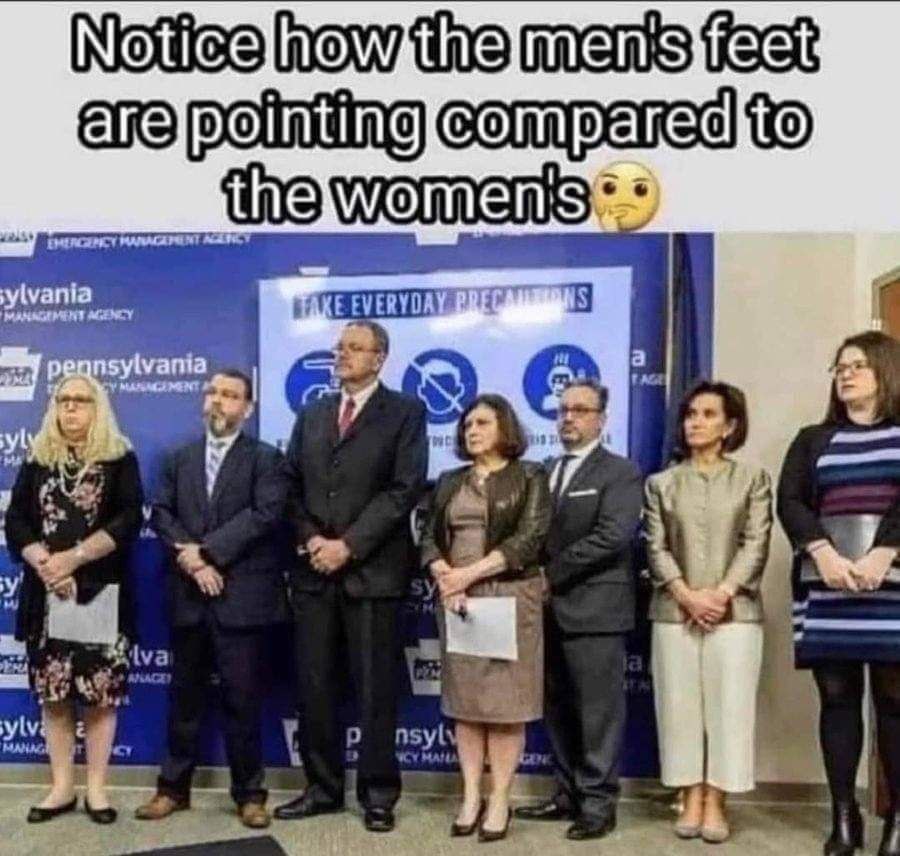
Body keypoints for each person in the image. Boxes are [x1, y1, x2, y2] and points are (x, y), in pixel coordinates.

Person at [275, 320, 428, 833]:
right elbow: (289, 486)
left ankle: (378, 795)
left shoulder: (406, 412)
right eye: (339, 347)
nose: (342, 354)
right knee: (315, 688)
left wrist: (348, 546)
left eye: (354, 348)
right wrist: (312, 540)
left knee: (375, 693)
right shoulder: (313, 413)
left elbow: (403, 490)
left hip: (374, 575)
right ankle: (321, 789)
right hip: (315, 574)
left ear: (379, 358)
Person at [135, 369, 288, 829]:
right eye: (213, 393)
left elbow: (264, 515)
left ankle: (250, 795)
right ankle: (172, 790)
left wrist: (208, 553)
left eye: (230, 395)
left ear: (248, 407)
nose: (218, 401)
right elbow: (161, 513)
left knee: (243, 702)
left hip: (242, 599)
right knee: (184, 700)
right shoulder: (178, 458)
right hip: (189, 596)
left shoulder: (266, 459)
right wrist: (195, 563)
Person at [778, 331, 900, 856]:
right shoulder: (813, 439)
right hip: (827, 585)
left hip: (892, 586)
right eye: (840, 367)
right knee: (837, 699)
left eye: (857, 366)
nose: (845, 375)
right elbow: (791, 501)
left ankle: (896, 820)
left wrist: (884, 552)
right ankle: (844, 817)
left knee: (894, 702)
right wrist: (822, 552)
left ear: (885, 371)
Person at [4, 373, 143, 825]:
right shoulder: (39, 458)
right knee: (54, 695)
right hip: (46, 598)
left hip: (99, 595)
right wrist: (47, 564)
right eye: (63, 400)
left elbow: (129, 520)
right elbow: (15, 521)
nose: (70, 408)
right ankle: (62, 787)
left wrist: (75, 559)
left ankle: (97, 790)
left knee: (100, 696)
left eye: (80, 400)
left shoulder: (119, 458)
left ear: (97, 407)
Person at [514, 378, 643, 841]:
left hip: (595, 609)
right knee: (557, 708)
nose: (569, 418)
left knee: (597, 714)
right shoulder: (543, 470)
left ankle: (598, 804)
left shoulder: (620, 472)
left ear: (602, 420)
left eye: (581, 410)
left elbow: (613, 536)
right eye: (564, 410)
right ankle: (566, 794)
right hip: (544, 612)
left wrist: (550, 575)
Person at [644, 380, 772, 844]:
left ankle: (717, 800)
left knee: (730, 707)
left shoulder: (752, 479)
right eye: (691, 414)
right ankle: (690, 795)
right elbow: (655, 547)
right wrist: (686, 595)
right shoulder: (661, 483)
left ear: (730, 426)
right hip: (673, 610)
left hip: (735, 611)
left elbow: (756, 541)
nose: (695, 423)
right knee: (678, 707)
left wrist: (721, 594)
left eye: (708, 414)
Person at [421, 393, 552, 842]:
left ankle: (500, 799)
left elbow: (529, 539)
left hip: (509, 597)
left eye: (482, 423)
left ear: (505, 429)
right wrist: (445, 575)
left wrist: (468, 575)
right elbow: (428, 536)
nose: (472, 431)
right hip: (457, 602)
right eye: (467, 425)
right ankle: (471, 795)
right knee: (467, 705)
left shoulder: (530, 475)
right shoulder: (449, 480)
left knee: (506, 706)